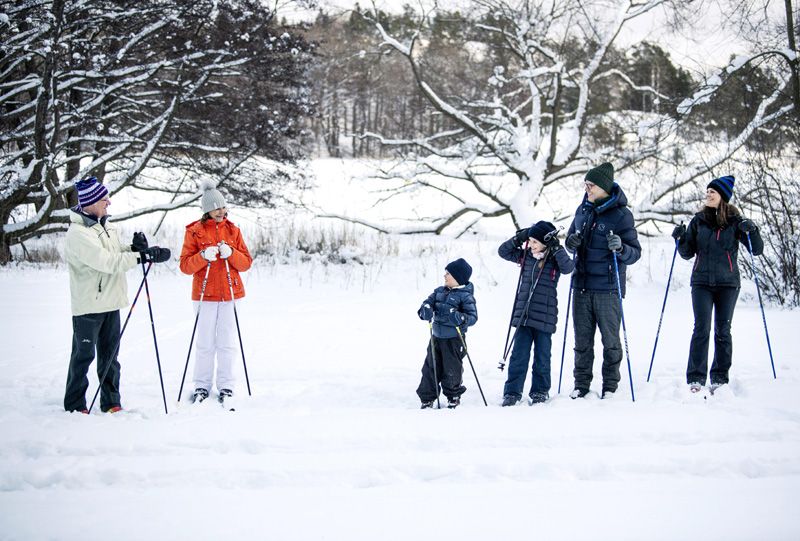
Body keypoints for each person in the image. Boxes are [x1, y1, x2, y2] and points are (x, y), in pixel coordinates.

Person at [64, 176, 170, 413]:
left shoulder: (106, 225)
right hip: (88, 306)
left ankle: (111, 401)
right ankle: (74, 404)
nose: (109, 203)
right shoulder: (78, 233)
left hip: (111, 301)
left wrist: (135, 248)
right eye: (104, 199)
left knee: (110, 357)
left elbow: (116, 251)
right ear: (90, 202)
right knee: (83, 357)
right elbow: (106, 261)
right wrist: (141, 257)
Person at [672, 175, 763, 393]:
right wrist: (679, 239)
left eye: (712, 191)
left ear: (723, 196)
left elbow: (756, 249)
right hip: (702, 282)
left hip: (728, 284)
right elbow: (686, 253)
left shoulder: (735, 222)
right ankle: (695, 377)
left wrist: (753, 231)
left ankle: (720, 376)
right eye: (707, 191)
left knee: (723, 330)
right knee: (701, 328)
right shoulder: (698, 220)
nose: (708, 194)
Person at [564, 162, 641, 399]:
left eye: (591, 185)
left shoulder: (622, 215)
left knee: (611, 342)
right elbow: (568, 240)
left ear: (604, 187)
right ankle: (581, 385)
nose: (587, 189)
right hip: (582, 286)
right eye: (586, 184)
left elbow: (634, 252)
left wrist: (620, 248)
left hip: (608, 289)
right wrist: (572, 243)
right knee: (582, 342)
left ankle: (610, 386)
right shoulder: (582, 209)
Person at [179, 181, 252, 405]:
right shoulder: (194, 232)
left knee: (227, 342)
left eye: (223, 207)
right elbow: (184, 266)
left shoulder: (233, 230)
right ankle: (201, 385)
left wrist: (231, 253)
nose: (222, 211)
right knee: (205, 342)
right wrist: (203, 256)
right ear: (207, 210)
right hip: (205, 295)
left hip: (231, 294)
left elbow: (246, 263)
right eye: (217, 208)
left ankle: (227, 385)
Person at [498, 221, 575, 406]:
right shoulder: (525, 256)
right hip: (524, 316)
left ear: (546, 242)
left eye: (535, 242)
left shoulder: (554, 259)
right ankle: (512, 392)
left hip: (544, 317)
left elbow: (568, 267)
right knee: (518, 357)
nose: (531, 245)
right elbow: (503, 251)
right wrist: (520, 237)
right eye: (530, 241)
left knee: (542, 358)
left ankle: (540, 391)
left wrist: (557, 247)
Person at [415, 258, 478, 409]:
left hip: (454, 340)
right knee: (430, 367)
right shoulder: (438, 292)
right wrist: (426, 309)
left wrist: (460, 318)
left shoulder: (465, 296)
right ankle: (427, 397)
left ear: (458, 278)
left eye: (448, 273)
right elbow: (426, 304)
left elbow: (473, 317)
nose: (445, 276)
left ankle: (453, 395)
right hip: (436, 338)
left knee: (452, 368)